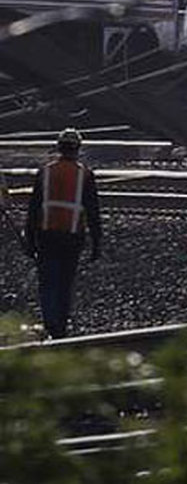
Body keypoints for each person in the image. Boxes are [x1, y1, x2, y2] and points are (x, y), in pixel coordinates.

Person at [24, 128, 102, 338]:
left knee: (48, 281)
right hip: (72, 236)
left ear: (59, 147)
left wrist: (29, 239)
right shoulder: (84, 174)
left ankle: (51, 322)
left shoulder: (46, 171)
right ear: (78, 149)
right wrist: (97, 243)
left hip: (47, 234)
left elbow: (33, 209)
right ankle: (60, 326)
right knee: (65, 283)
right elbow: (93, 211)